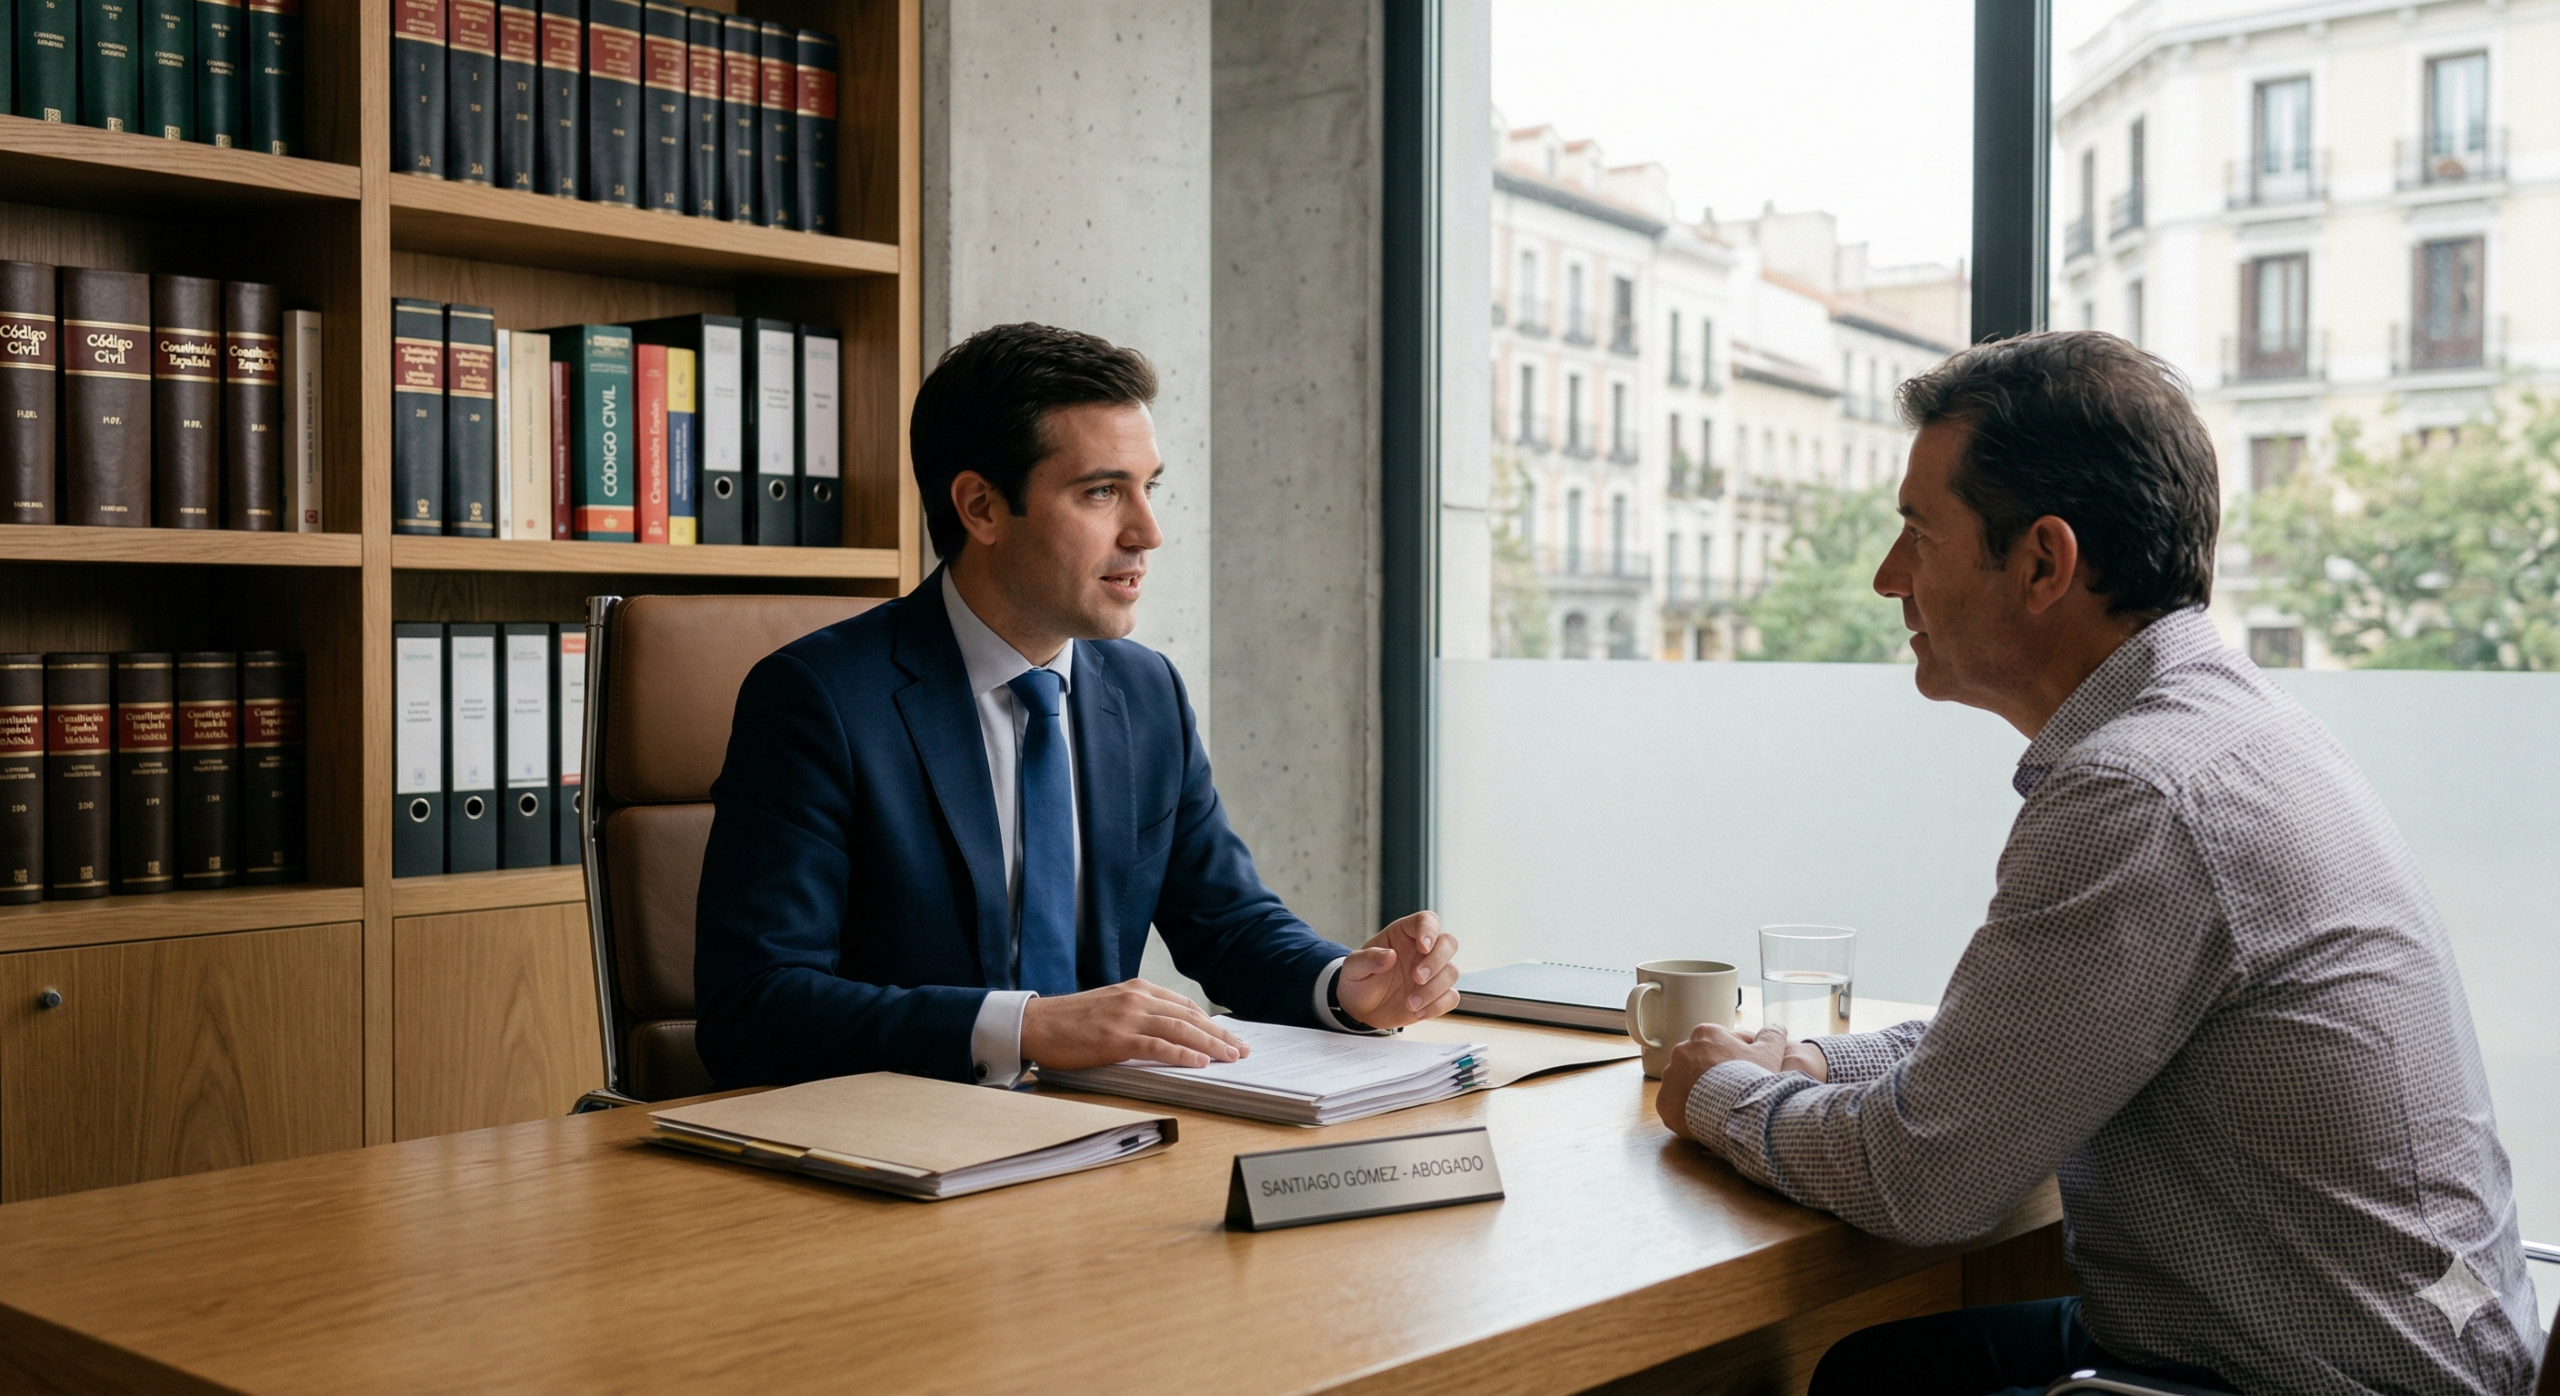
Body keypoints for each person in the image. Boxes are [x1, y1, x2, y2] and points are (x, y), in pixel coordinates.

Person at [1653, 332, 2541, 1395]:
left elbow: (1925, 1182)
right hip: (2400, 1344)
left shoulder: (2143, 790)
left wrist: (1718, 1092)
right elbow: (2031, 1041)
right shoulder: (2232, 730)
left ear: (2042, 563)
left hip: (2331, 1379)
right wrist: (1821, 1066)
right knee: (1876, 1370)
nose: (1889, 576)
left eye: (1917, 534)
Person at [695, 323, 1460, 1089]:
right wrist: (1024, 1027)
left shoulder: (1145, 691)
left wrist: (1344, 985)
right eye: (1102, 492)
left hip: (1102, 1136)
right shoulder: (819, 700)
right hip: (904, 1149)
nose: (1148, 532)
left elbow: (1229, 926)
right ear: (981, 508)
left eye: (1148, 487)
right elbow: (754, 1007)